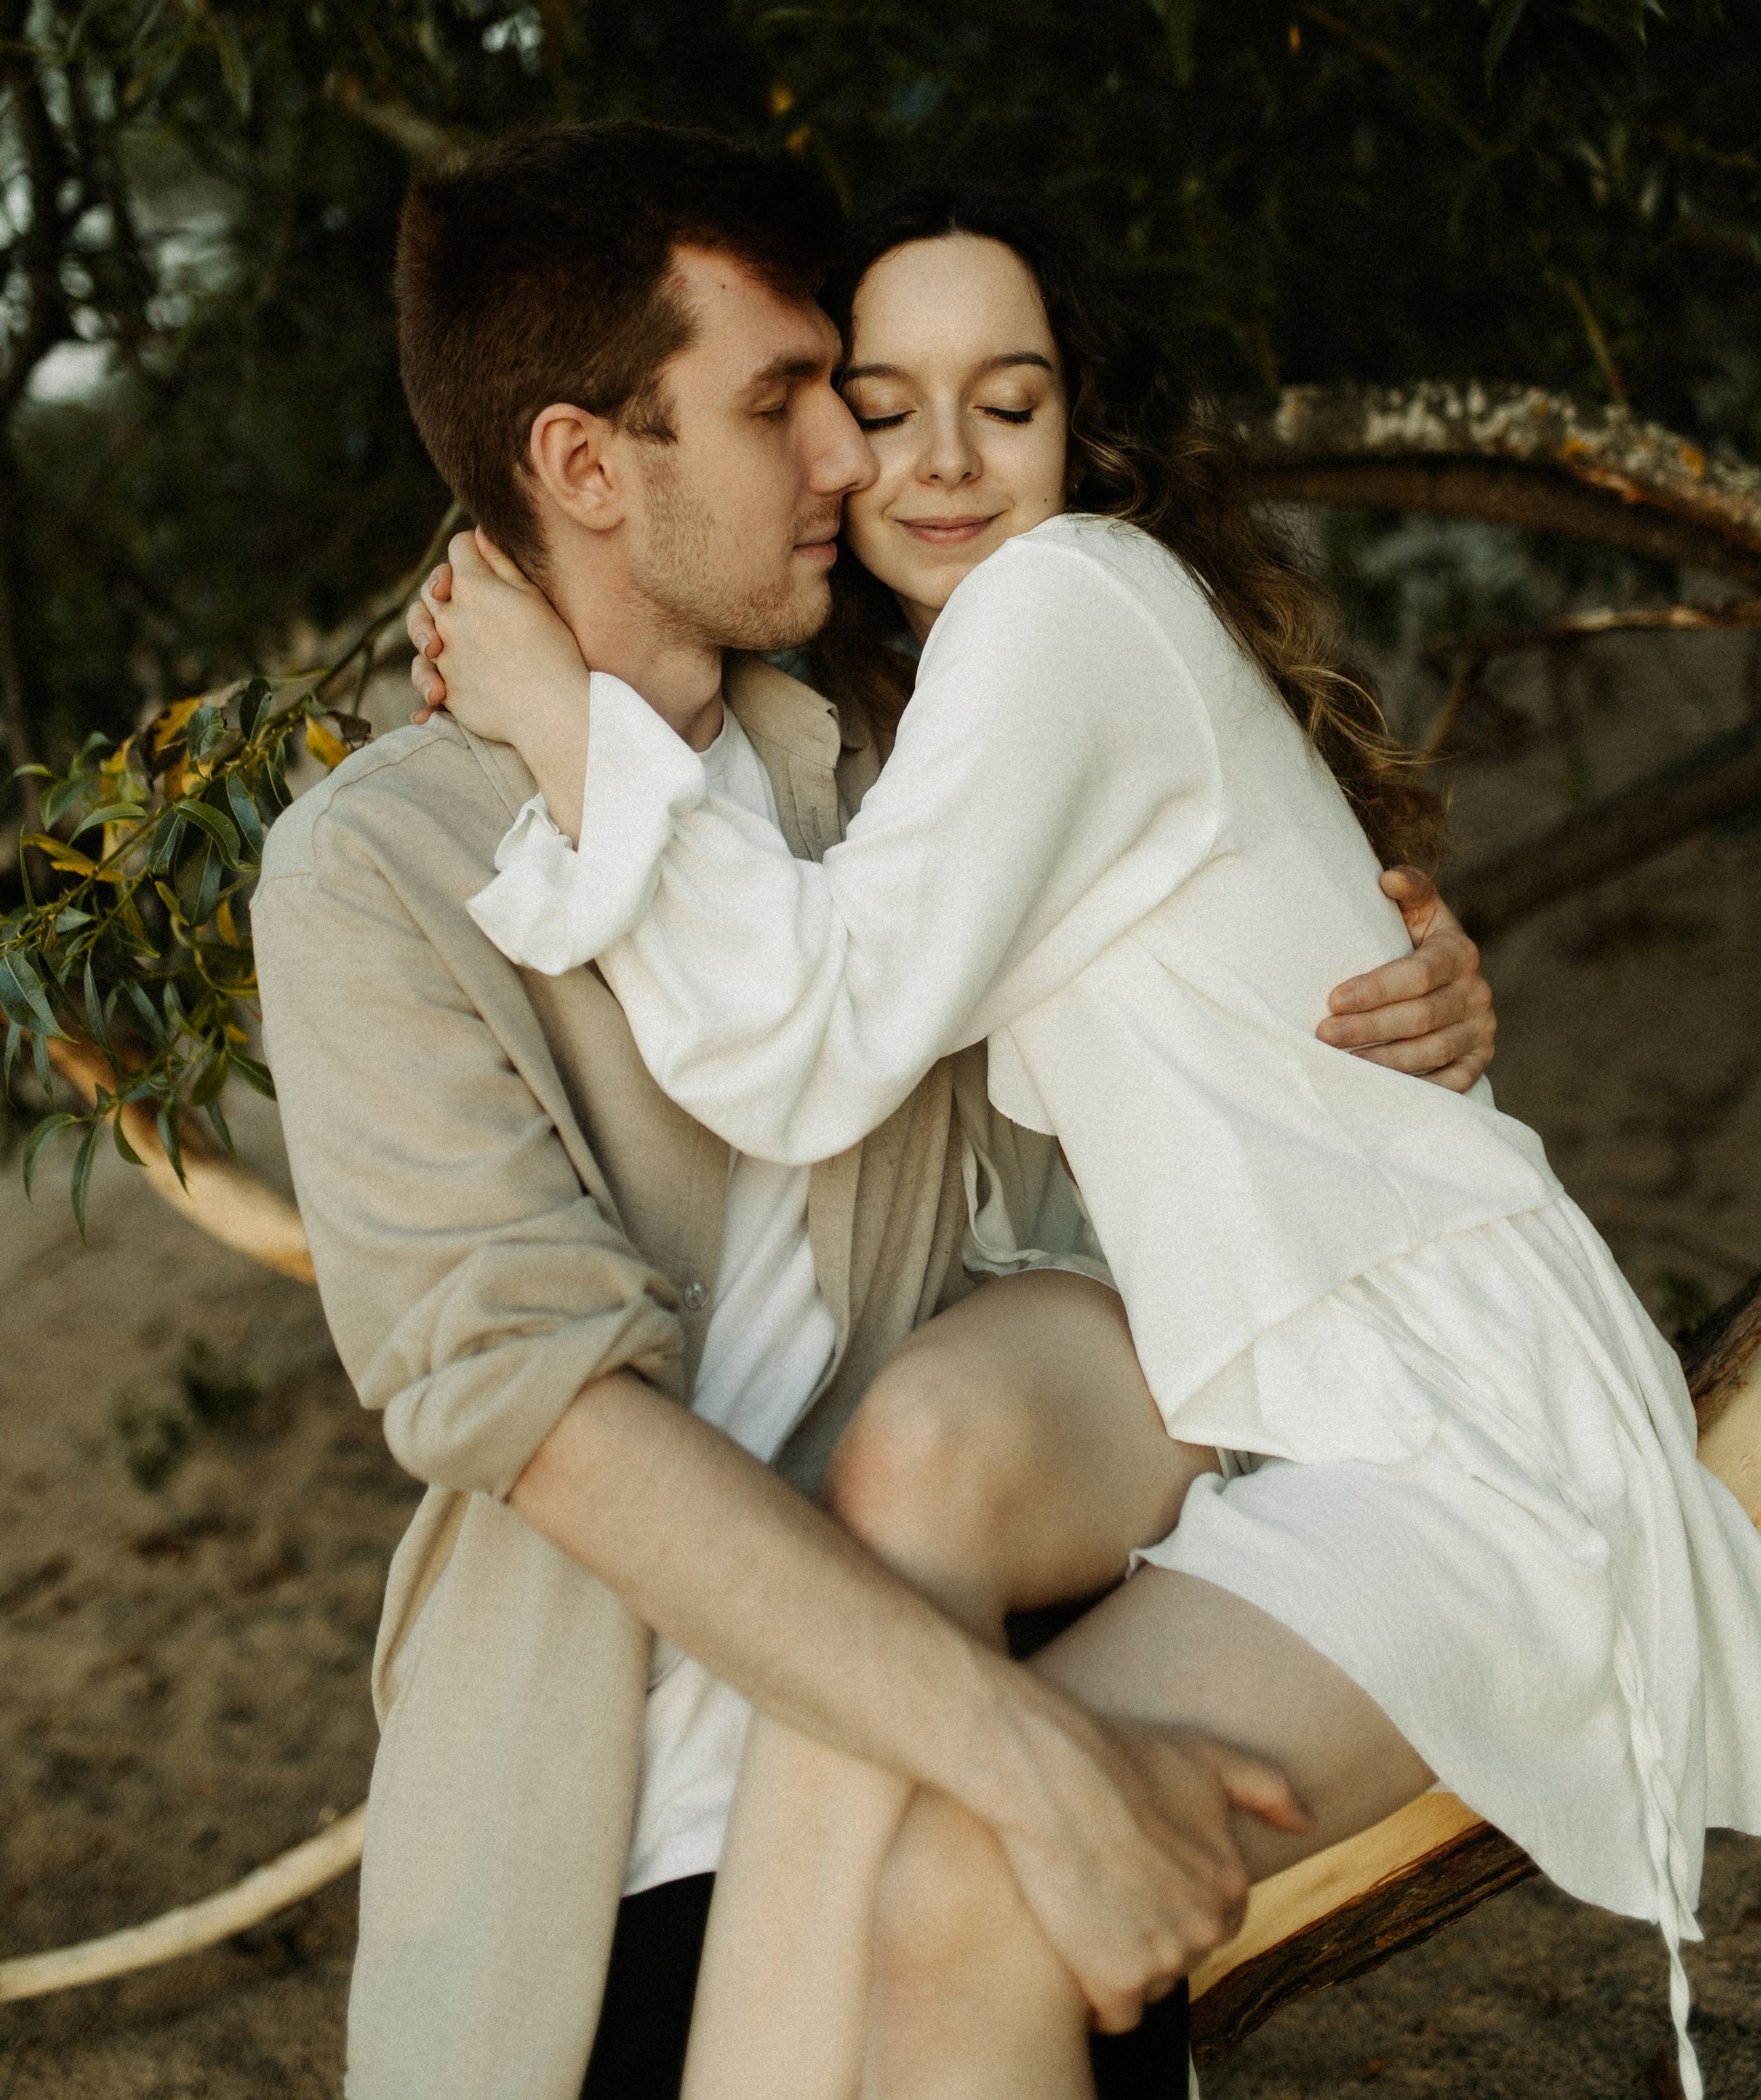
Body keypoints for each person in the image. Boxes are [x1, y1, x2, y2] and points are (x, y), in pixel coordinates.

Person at [411, 183, 1761, 2100]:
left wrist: (556, 716)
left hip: (1443, 1425)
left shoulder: (1072, 599)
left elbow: (802, 1048)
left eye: (1010, 401)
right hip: (1273, 1384)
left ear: (1080, 432)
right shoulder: (935, 694)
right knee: (919, 1481)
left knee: (973, 1884)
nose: (947, 460)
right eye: (885, 406)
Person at [252, 119, 1490, 2100]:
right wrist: (1049, 1772)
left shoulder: (903, 758)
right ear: (585, 463)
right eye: (783, 404)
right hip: (624, 1842)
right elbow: (550, 1421)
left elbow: (1203, 1042)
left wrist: (1403, 992)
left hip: (994, 1738)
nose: (852, 456)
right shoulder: (373, 879)